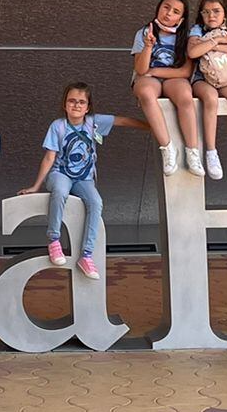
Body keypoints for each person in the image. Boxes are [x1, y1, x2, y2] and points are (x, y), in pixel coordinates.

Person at [17, 82, 147, 279]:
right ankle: (54, 240)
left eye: (81, 102)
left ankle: (86, 255)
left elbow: (123, 121)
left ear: (88, 107)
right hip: (60, 173)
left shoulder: (93, 122)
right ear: (64, 104)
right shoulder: (57, 126)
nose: (76, 105)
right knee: (60, 191)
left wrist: (153, 127)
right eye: (71, 101)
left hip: (84, 179)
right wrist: (36, 186)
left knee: (96, 203)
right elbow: (49, 157)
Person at [131, 0, 201, 176]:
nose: (169, 13)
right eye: (166, 7)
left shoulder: (187, 36)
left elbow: (185, 71)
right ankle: (167, 148)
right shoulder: (145, 32)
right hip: (148, 79)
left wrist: (154, 71)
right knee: (146, 93)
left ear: (181, 18)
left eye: (175, 11)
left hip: (173, 77)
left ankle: (192, 151)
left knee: (185, 96)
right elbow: (140, 69)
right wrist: (148, 46)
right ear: (159, 7)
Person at [187, 0, 227, 180]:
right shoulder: (198, 30)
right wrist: (216, 40)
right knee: (211, 98)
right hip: (202, 78)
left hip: (226, 77)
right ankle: (211, 152)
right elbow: (193, 52)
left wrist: (214, 46)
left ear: (226, 14)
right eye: (206, 12)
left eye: (216, 11)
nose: (211, 16)